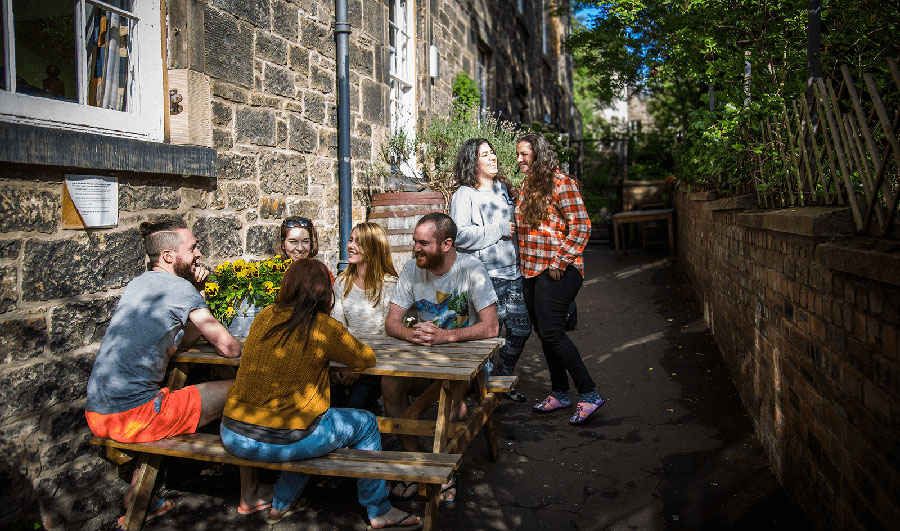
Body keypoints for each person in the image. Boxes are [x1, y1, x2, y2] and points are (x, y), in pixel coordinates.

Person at [84, 220, 268, 525]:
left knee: (165, 394)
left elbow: (185, 338)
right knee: (242, 388)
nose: (198, 253)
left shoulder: (139, 284)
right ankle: (251, 492)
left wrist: (196, 292)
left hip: (98, 413)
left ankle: (139, 497)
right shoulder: (180, 289)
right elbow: (231, 349)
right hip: (133, 418)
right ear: (169, 256)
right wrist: (195, 291)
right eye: (192, 247)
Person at [219, 259, 421, 529]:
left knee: (307, 423)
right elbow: (365, 358)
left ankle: (281, 503)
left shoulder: (265, 315)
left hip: (233, 433)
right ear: (326, 292)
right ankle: (379, 509)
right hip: (286, 439)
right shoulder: (323, 326)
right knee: (364, 423)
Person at [383, 212, 499, 504]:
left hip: (466, 366)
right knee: (389, 384)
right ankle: (421, 465)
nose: (415, 249)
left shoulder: (472, 269)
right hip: (424, 360)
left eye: (423, 243)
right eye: (414, 242)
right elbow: (392, 322)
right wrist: (412, 334)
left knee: (451, 399)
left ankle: (443, 473)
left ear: (447, 244)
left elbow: (492, 326)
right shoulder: (412, 269)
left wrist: (446, 336)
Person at [514, 132, 605, 425]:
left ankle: (589, 393)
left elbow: (581, 225)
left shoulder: (561, 182)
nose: (518, 160)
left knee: (553, 333)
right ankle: (560, 393)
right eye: (518, 154)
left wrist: (561, 259)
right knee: (545, 334)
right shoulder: (528, 184)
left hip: (559, 270)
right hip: (531, 269)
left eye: (523, 154)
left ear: (537, 154)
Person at [450, 138, 532, 402]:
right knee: (488, 332)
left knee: (521, 329)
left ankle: (501, 377)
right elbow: (459, 235)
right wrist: (498, 230)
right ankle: (480, 389)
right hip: (485, 274)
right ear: (473, 162)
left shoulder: (502, 188)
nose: (493, 157)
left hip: (514, 272)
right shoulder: (465, 194)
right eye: (485, 154)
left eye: (493, 152)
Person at [330, 222, 399, 411]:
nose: (350, 246)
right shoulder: (342, 282)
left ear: (374, 248)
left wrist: (360, 367)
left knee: (355, 406)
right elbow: (336, 327)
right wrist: (340, 363)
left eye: (358, 242)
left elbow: (386, 333)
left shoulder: (390, 285)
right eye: (351, 240)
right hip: (344, 361)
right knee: (328, 405)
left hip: (377, 362)